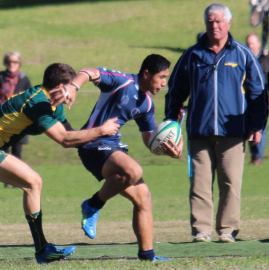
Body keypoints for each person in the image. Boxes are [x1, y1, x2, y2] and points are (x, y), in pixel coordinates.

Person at [51, 54, 183, 261]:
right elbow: (89, 72)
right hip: (92, 145)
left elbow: (149, 139)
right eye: (162, 77)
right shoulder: (122, 82)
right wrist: (73, 87)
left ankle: (147, 256)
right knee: (134, 171)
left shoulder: (147, 104)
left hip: (113, 147)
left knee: (144, 198)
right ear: (146, 74)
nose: (164, 83)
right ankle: (93, 204)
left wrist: (166, 148)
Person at [165, 3, 268, 243]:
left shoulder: (242, 54)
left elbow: (258, 93)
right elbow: (175, 91)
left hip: (233, 132)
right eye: (210, 21)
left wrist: (257, 126)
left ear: (229, 23)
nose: (215, 25)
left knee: (230, 183)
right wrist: (171, 124)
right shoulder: (192, 55)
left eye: (219, 21)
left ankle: (227, 230)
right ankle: (201, 230)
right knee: (199, 185)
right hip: (198, 131)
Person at [0, 63, 120, 263]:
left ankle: (42, 251)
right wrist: (101, 130)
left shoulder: (54, 104)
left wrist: (105, 137)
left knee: (31, 183)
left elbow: (73, 136)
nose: (74, 90)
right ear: (59, 87)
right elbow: (65, 140)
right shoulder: (38, 103)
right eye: (72, 85)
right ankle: (42, 251)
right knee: (33, 182)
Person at [0, 52, 31, 187]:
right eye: (9, 62)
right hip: (2, 119)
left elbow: (30, 98)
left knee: (17, 151)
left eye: (15, 62)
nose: (12, 64)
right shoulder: (0, 77)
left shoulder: (24, 79)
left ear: (19, 63)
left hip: (19, 120)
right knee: (4, 150)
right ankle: (7, 180)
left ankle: (18, 179)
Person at [246, 33, 269, 164]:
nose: (251, 46)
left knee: (261, 126)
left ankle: (258, 156)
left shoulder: (266, 60)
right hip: (250, 100)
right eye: (248, 43)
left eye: (253, 43)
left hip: (265, 99)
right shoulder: (246, 59)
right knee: (252, 126)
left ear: (259, 44)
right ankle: (255, 155)